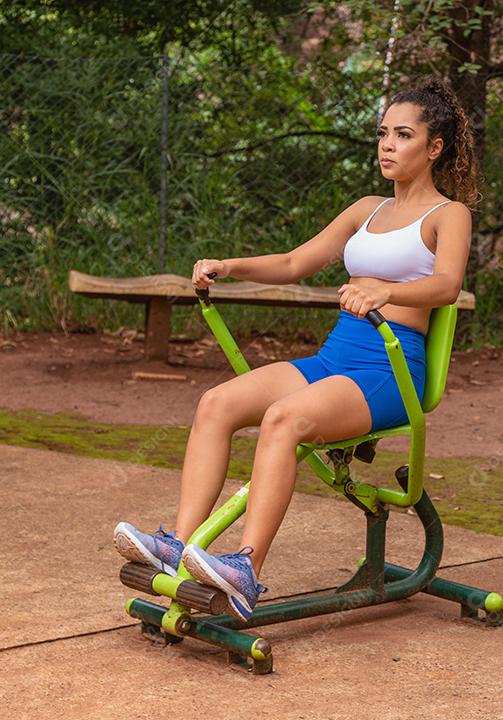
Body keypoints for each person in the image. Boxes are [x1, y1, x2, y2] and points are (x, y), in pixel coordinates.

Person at [113, 76, 479, 622]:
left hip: (390, 370)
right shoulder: (367, 210)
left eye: (402, 135)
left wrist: (385, 290)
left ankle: (245, 570)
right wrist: (228, 267)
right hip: (336, 360)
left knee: (284, 420)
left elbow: (447, 286)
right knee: (216, 403)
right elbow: (293, 263)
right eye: (382, 133)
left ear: (434, 147)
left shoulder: (450, 215)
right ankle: (178, 542)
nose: (386, 144)